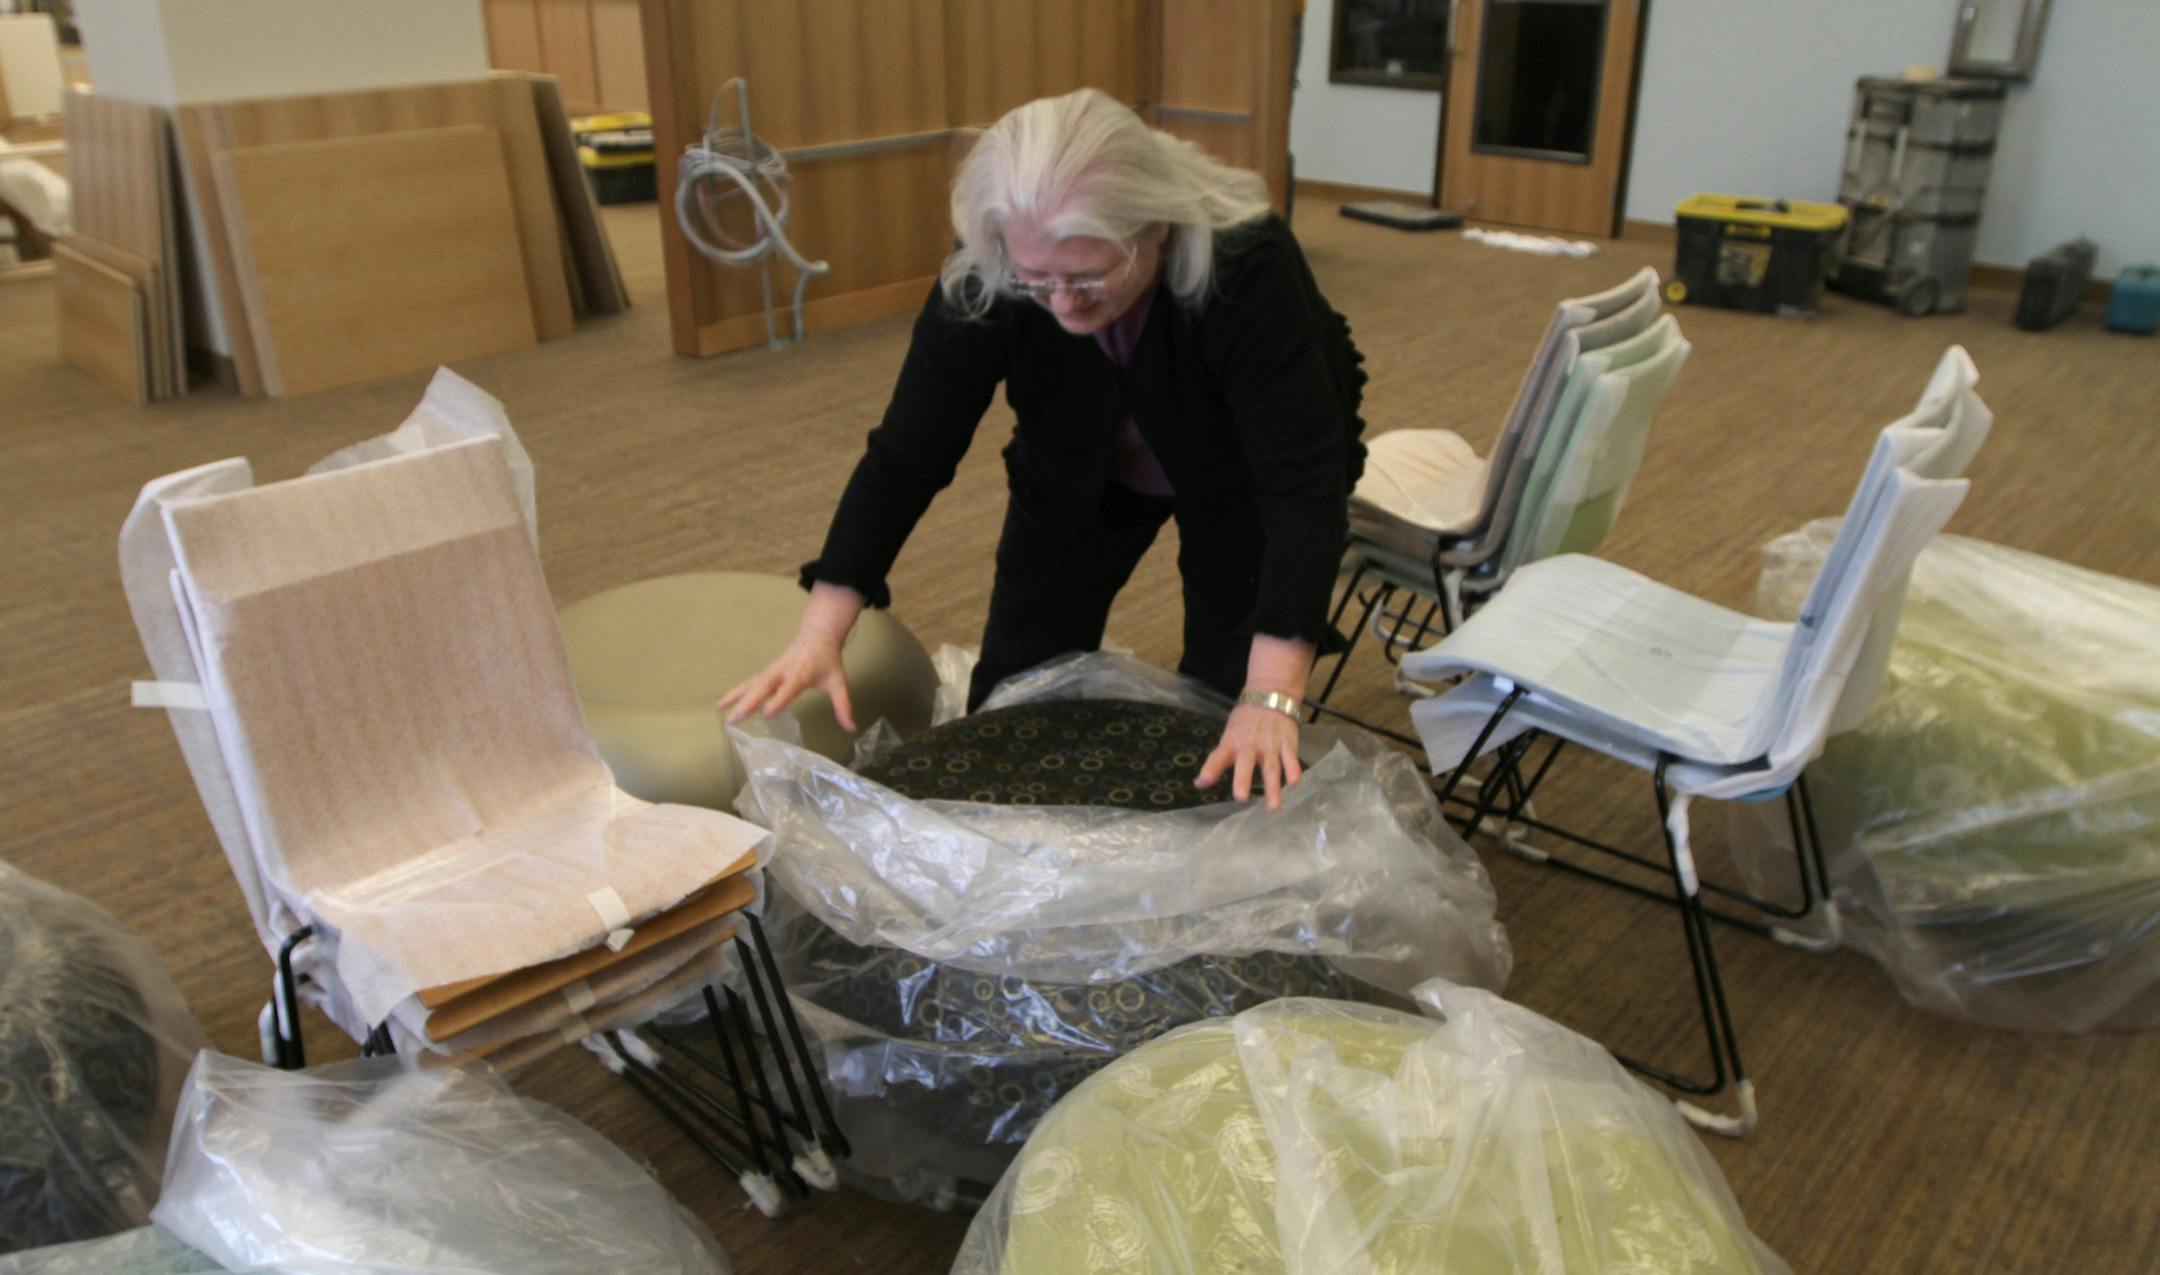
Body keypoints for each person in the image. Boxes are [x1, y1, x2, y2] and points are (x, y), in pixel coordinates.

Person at [720, 87, 1366, 810]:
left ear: (1154, 228)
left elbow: (1300, 489)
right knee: (1015, 686)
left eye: (1090, 276)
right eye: (1039, 281)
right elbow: (909, 450)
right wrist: (821, 627)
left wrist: (1271, 696)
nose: (1063, 304)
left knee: (1223, 714)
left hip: (1242, 471)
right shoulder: (994, 264)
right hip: (1077, 461)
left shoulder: (1244, 262)